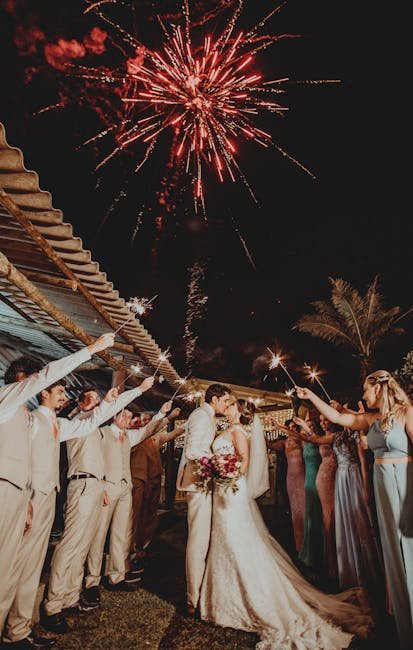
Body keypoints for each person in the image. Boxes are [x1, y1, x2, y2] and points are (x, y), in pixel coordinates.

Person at [199, 398, 374, 649]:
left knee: (235, 538)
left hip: (231, 490)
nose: (226, 406)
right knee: (227, 538)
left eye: (229, 404)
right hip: (225, 491)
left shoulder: (237, 431)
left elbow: (244, 461)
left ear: (237, 411)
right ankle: (224, 596)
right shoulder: (227, 429)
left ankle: (247, 595)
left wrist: (228, 474)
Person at [0, 332, 115, 635]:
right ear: (22, 381)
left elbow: (86, 423)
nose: (40, 386)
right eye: (35, 381)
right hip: (10, 491)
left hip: (31, 495)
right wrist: (91, 349)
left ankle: (17, 629)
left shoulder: (32, 418)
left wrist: (115, 400)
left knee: (18, 568)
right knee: (6, 566)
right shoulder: (8, 403)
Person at [296, 372, 413, 649]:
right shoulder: (370, 420)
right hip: (383, 485)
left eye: (366, 390)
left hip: (405, 484)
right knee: (392, 551)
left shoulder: (408, 412)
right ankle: (404, 617)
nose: (363, 396)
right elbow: (338, 420)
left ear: (380, 388)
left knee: (409, 544)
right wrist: (311, 395)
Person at [41, 375, 154, 634]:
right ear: (81, 405)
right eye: (90, 400)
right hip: (81, 485)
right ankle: (52, 604)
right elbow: (105, 412)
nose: (95, 405)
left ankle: (69, 598)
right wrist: (137, 390)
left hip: (95, 486)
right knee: (70, 545)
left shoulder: (93, 427)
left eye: (96, 401)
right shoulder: (79, 423)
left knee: (82, 546)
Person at [176, 383, 232, 615]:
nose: (227, 405)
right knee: (198, 538)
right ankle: (194, 598)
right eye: (226, 400)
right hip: (197, 483)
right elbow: (192, 451)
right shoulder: (200, 416)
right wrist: (217, 462)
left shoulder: (207, 416)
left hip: (204, 482)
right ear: (215, 399)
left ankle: (200, 591)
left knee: (203, 536)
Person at [129, 407, 184, 568]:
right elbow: (153, 428)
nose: (145, 422)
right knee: (135, 516)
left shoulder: (156, 438)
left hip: (154, 480)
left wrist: (189, 424)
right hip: (138, 480)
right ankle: (131, 549)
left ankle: (143, 546)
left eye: (148, 419)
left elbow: (173, 434)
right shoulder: (135, 437)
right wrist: (169, 417)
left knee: (150, 516)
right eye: (143, 420)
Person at [267, 419, 305, 554]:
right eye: (290, 427)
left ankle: (308, 542)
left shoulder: (302, 440)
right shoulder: (285, 443)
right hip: (290, 477)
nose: (292, 429)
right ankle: (299, 544)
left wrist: (278, 426)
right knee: (295, 509)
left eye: (295, 427)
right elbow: (269, 445)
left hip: (303, 476)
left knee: (304, 508)